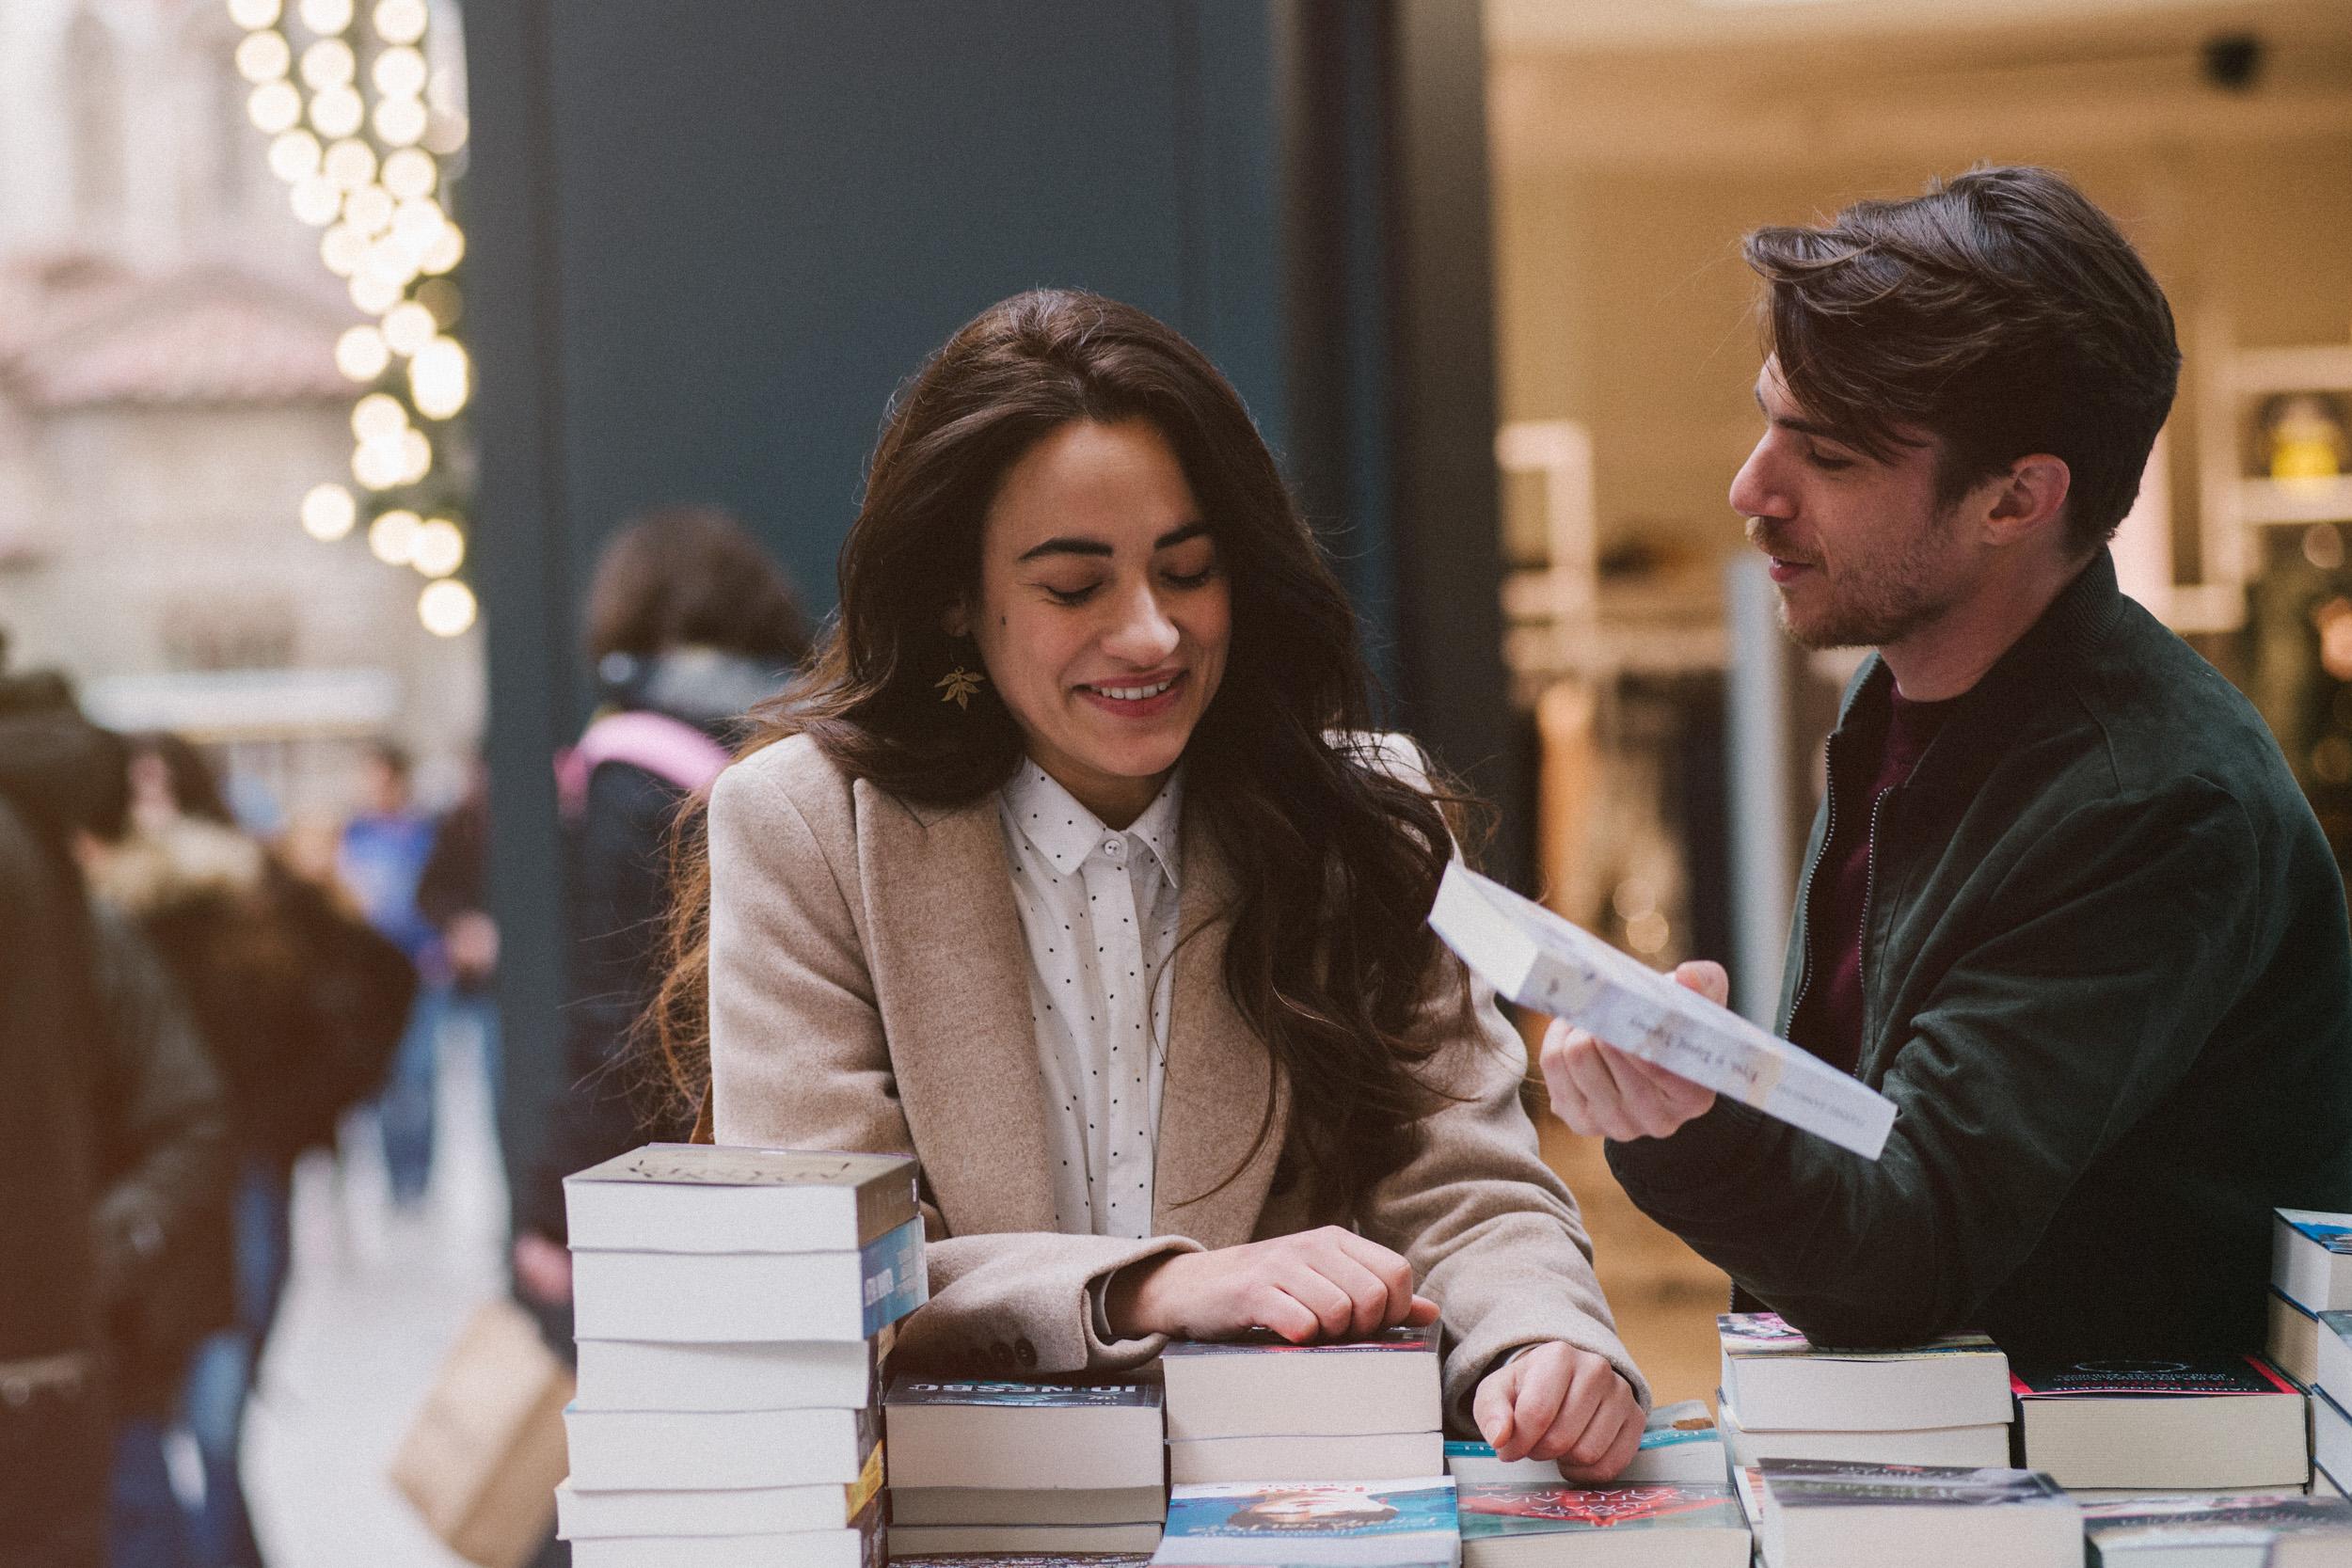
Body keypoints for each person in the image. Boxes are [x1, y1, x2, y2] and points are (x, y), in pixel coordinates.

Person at [658, 291, 1647, 1475]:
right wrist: (1149, 1288)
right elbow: (835, 1262)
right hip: (955, 1509)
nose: (1152, 635)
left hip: (1293, 1503)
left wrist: (1541, 1339)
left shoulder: (1366, 818)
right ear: (957, 598)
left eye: (1187, 570)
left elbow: (1468, 1186)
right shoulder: (806, 828)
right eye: (1075, 587)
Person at [1540, 166, 2352, 1359]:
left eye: (1826, 454)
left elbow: (1908, 1243)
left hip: (2095, 1461)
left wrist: (1686, 1121)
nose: (1750, 488)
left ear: (2015, 500)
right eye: (1768, 419)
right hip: (1934, 1435)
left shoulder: (2155, 802)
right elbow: (1863, 1126)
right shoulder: (1901, 691)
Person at [87, 733, 415, 1568]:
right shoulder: (94, 908)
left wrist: (288, 1118)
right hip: (146, 1188)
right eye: (135, 788)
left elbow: (379, 979)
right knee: (158, 1413)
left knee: (214, 1414)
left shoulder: (244, 889)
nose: (151, 806)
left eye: (163, 785)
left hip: (234, 1181)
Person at [509, 506, 809, 1330]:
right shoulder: (804, 731)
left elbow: (620, 1017)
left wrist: (551, 1210)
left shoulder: (633, 765)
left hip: (689, 1169)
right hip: (829, 1142)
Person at [0, 658, 232, 1568]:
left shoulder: (82, 918)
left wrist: (96, 1246)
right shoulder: (60, 890)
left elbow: (193, 1110)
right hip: (69, 1334)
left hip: (88, 1326)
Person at [337, 741, 443, 1208]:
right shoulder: (353, 836)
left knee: (417, 1078)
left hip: (416, 969)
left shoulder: (422, 835)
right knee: (383, 1081)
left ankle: (414, 1181)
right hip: (369, 976)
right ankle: (393, 1179)